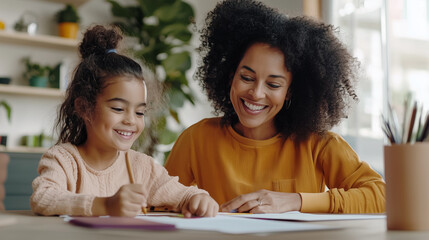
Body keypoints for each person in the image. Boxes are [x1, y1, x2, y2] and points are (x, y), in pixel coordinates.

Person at [165, 0, 385, 214]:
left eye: (273, 84)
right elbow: (156, 201)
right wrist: (188, 200)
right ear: (231, 76)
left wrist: (296, 201)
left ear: (290, 90)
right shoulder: (197, 139)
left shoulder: (318, 144)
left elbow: (382, 196)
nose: (256, 93)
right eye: (246, 77)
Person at [30, 25, 218, 218]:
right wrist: (105, 205)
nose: (130, 120)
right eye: (118, 109)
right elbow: (44, 198)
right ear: (84, 108)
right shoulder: (63, 160)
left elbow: (183, 193)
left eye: (139, 112)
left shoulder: (142, 167)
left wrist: (198, 198)